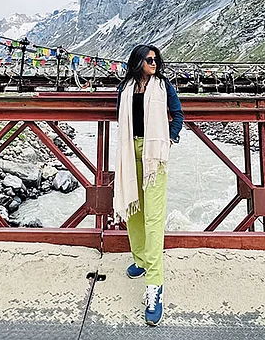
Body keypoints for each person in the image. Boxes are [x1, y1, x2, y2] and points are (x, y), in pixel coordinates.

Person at [114, 44, 184, 327]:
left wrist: (170, 138)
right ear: (138, 62)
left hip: (154, 156)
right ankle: (141, 259)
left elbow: (178, 114)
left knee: (154, 218)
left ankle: (155, 286)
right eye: (149, 59)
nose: (154, 62)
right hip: (130, 152)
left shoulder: (163, 86)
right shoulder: (125, 88)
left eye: (156, 59)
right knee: (134, 211)